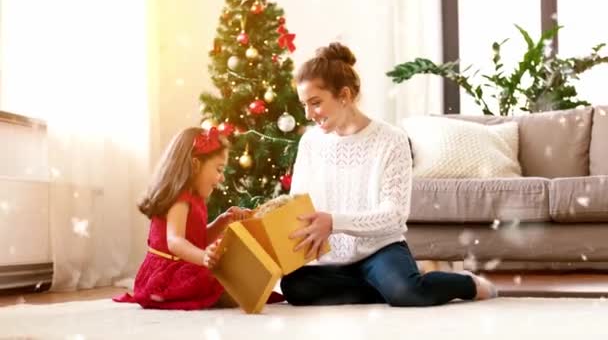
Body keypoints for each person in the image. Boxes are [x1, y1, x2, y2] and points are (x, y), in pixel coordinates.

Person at [281, 42, 497, 306]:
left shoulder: (390, 139)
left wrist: (334, 222)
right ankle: (387, 288)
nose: (308, 114)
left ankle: (468, 283)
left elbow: (394, 217)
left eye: (315, 103)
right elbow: (297, 205)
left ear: (344, 95)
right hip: (331, 260)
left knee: (408, 293)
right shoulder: (310, 143)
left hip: (379, 249)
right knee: (293, 287)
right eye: (304, 104)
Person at [113, 127, 252, 310]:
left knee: (234, 282)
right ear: (195, 165)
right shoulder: (180, 198)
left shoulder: (195, 198)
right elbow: (175, 241)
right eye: (219, 169)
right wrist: (203, 257)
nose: (221, 178)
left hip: (181, 267)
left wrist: (222, 221)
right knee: (231, 286)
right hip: (168, 276)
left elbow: (197, 239)